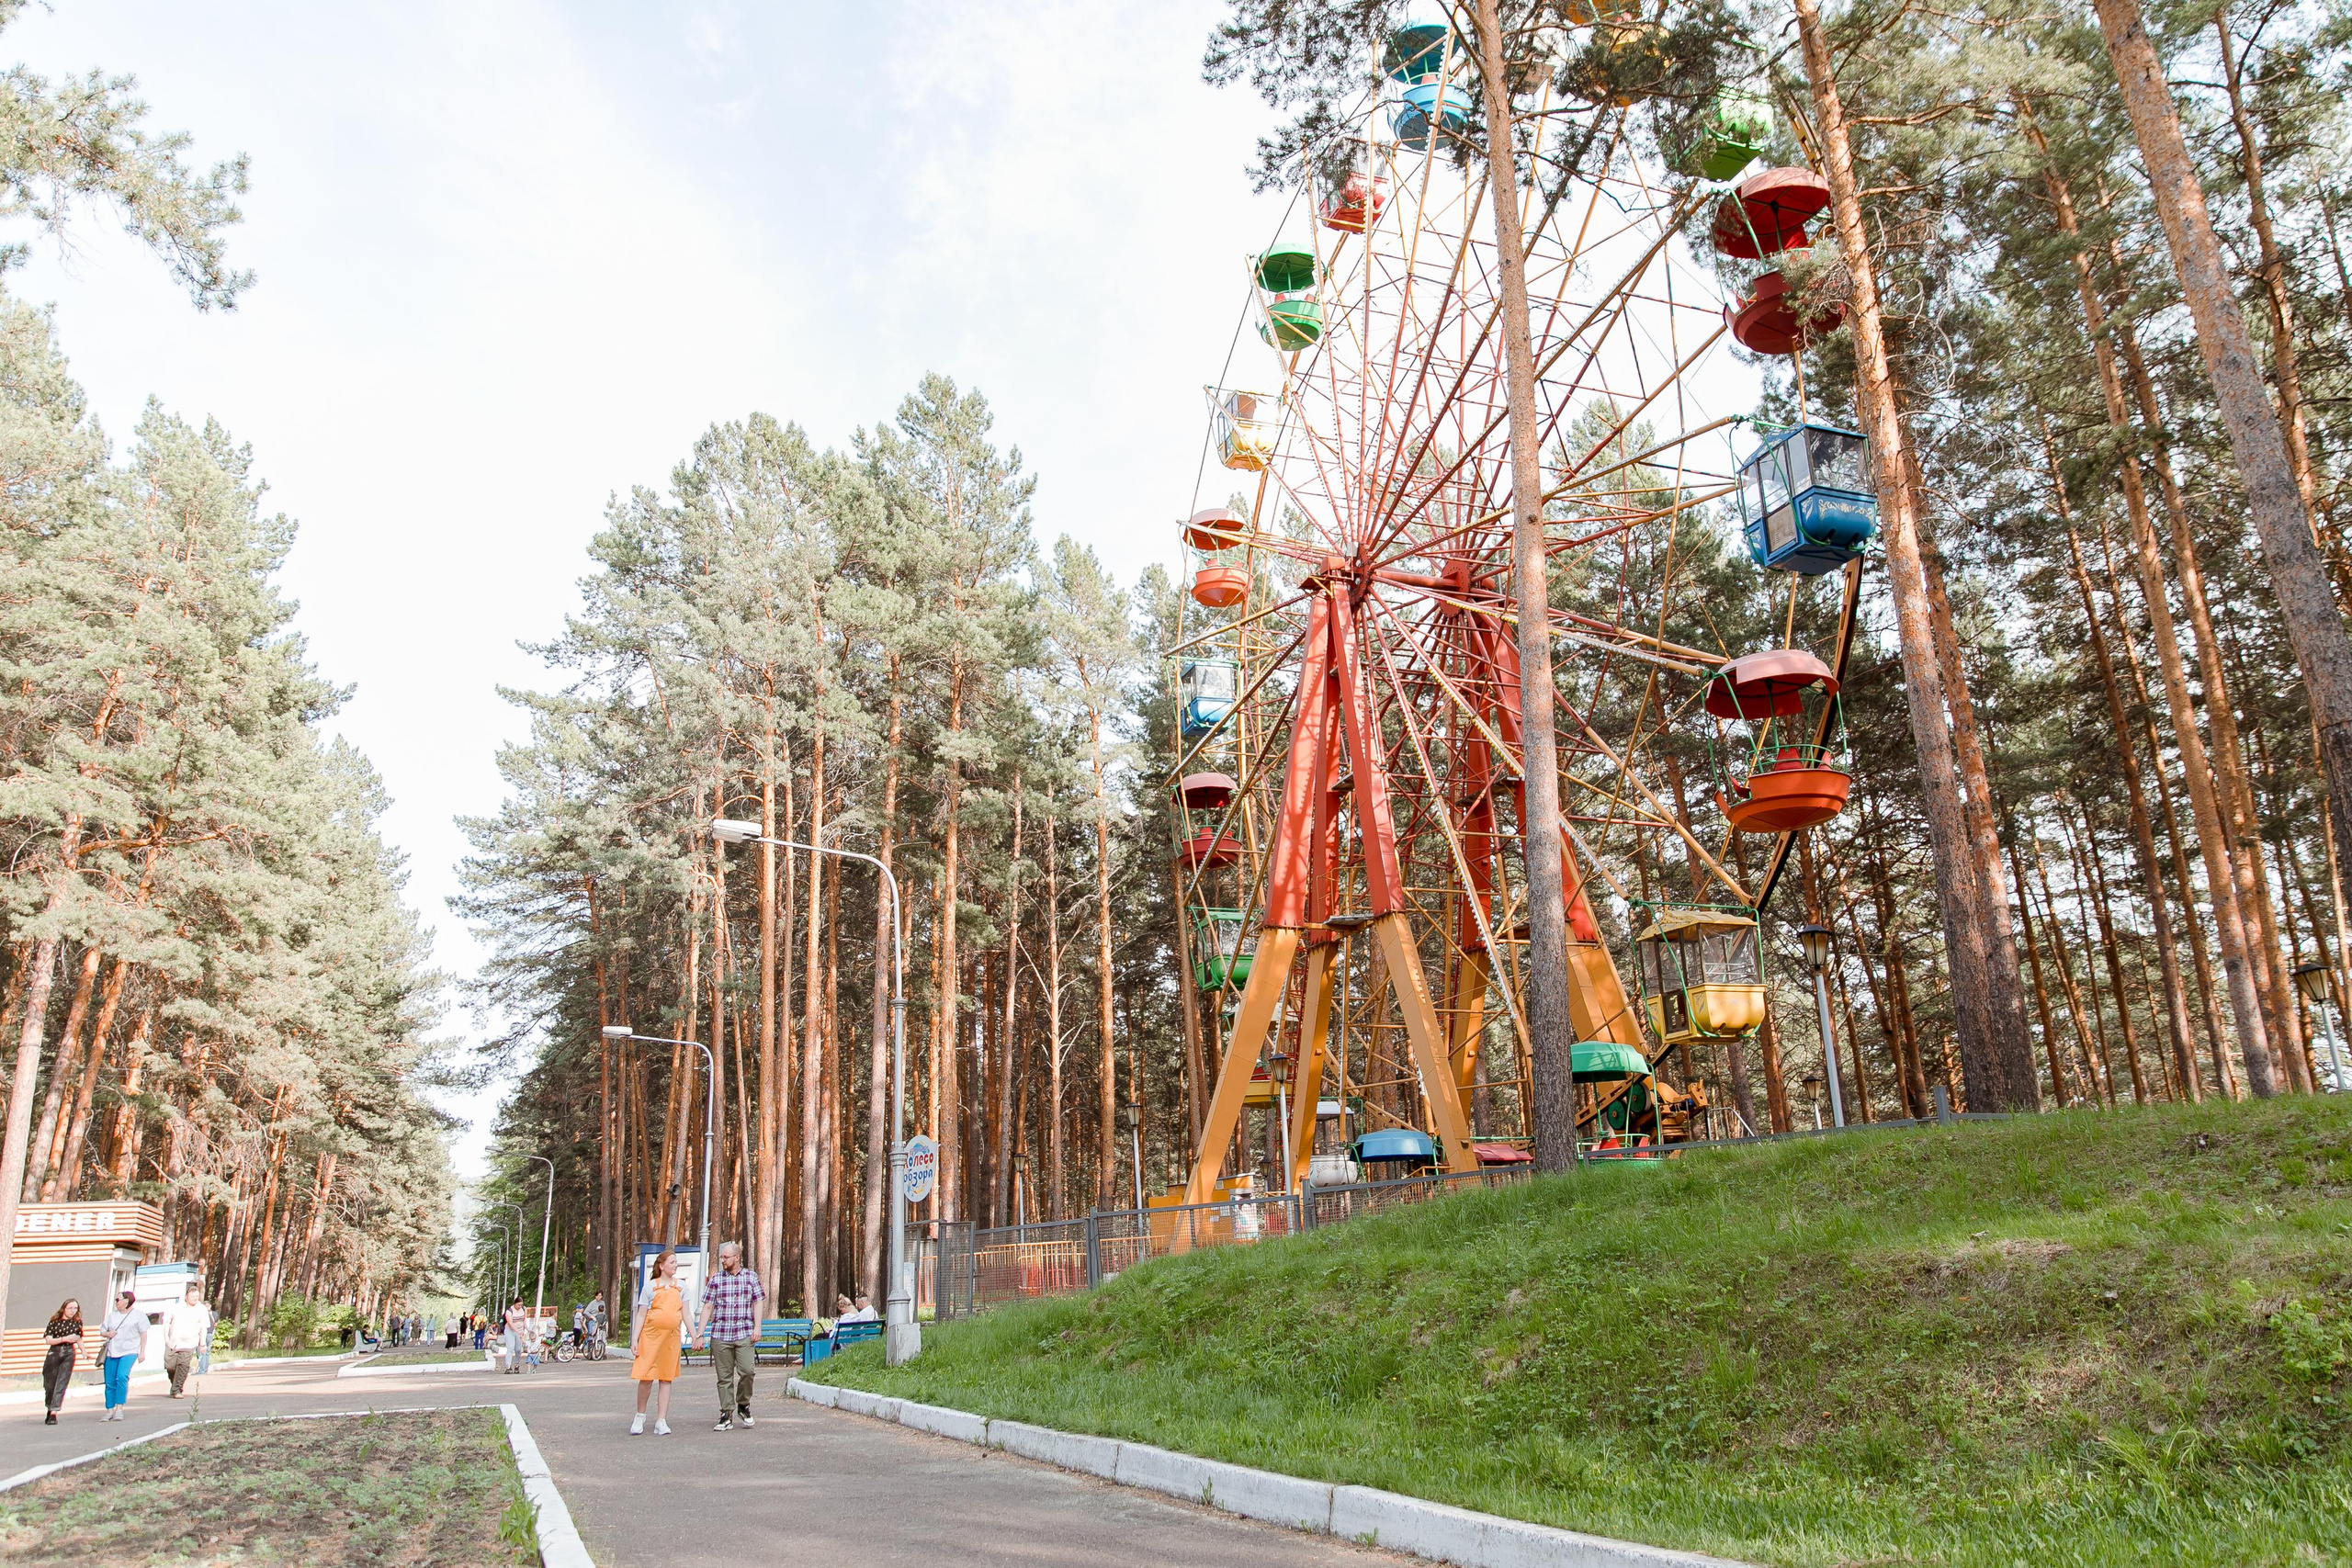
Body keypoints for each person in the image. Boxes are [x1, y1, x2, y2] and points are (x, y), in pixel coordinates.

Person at [696, 1241, 765, 1431]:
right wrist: (700, 1334)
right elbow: (708, 1306)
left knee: (747, 1371)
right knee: (724, 1377)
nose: (723, 1260)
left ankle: (743, 1404)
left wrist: (757, 1327)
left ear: (737, 1257)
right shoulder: (716, 1279)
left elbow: (758, 1302)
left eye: (726, 1257)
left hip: (744, 1332)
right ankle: (726, 1413)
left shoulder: (751, 1277)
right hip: (721, 1334)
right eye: (722, 1257)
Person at [629, 1250, 684, 1436]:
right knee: (646, 1377)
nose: (675, 1265)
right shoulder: (650, 1287)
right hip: (650, 1338)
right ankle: (640, 1416)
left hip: (671, 1338)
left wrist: (696, 1335)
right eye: (672, 1262)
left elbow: (686, 1313)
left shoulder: (681, 1287)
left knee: (666, 1378)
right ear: (662, 1266)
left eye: (676, 1262)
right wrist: (634, 1339)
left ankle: (661, 1420)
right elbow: (641, 1314)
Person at [98, 1290, 146, 1420]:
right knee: (109, 1382)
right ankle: (109, 1410)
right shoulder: (112, 1316)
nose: (116, 1302)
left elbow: (143, 1333)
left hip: (129, 1351)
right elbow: (102, 1330)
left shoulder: (138, 1315)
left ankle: (119, 1408)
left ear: (126, 1301)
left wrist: (142, 1351)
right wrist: (108, 1334)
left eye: (118, 1300)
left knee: (121, 1377)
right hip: (112, 1352)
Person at [162, 1284, 210, 1398]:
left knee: (183, 1366)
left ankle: (177, 1389)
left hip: (190, 1343)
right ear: (186, 1297)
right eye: (192, 1296)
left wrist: (202, 1343)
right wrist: (166, 1339)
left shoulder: (201, 1309)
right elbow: (166, 1323)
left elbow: (204, 1327)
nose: (195, 1298)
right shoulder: (176, 1307)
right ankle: (175, 1385)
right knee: (170, 1366)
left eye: (197, 1296)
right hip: (173, 1343)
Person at [40, 1300, 83, 1426]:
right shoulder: (54, 1322)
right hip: (54, 1353)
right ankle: (50, 1406)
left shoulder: (77, 1323)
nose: (72, 1311)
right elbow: (49, 1340)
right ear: (64, 1308)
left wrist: (84, 1352)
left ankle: (54, 1412)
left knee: (61, 1382)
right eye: (70, 1308)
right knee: (50, 1383)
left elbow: (79, 1338)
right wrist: (64, 1339)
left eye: (75, 1308)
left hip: (69, 1353)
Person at [502, 1295, 527, 1374]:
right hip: (510, 1331)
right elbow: (510, 1323)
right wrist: (518, 1332)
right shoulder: (509, 1311)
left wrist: (528, 1329)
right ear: (515, 1304)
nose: (520, 1306)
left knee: (518, 1349)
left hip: (520, 1331)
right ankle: (508, 1367)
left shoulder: (523, 1309)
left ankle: (517, 1365)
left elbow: (524, 1321)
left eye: (521, 1305)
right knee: (510, 1348)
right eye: (518, 1305)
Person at [587, 1292, 607, 1359]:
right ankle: (590, 1353)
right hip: (593, 1321)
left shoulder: (603, 1303)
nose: (599, 1297)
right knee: (592, 1337)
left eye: (600, 1296)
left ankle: (602, 1353)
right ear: (595, 1296)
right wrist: (592, 1317)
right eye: (598, 1295)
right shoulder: (592, 1303)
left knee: (601, 1338)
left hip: (601, 1321)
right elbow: (586, 1312)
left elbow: (604, 1313)